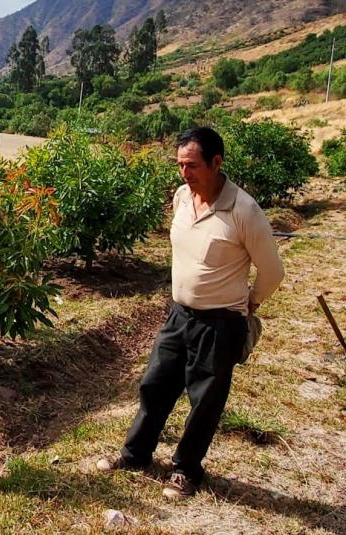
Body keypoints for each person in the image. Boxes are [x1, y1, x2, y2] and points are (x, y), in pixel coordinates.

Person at [96, 127, 285, 500]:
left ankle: (186, 470)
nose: (185, 173)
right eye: (180, 165)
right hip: (178, 315)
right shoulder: (182, 197)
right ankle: (135, 455)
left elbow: (273, 272)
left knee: (205, 400)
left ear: (217, 163)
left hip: (220, 324)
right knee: (155, 386)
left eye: (193, 165)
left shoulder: (243, 210)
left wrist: (250, 304)